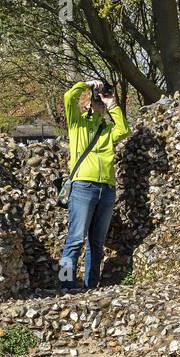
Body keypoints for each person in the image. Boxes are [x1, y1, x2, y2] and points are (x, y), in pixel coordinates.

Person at [59, 78, 130, 291]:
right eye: (97, 99)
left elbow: (124, 130)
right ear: (88, 102)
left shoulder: (107, 131)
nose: (100, 100)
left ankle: (91, 285)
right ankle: (66, 284)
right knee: (74, 239)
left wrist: (113, 105)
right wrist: (86, 85)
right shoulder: (77, 125)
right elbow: (68, 97)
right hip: (83, 187)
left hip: (107, 189)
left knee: (97, 244)